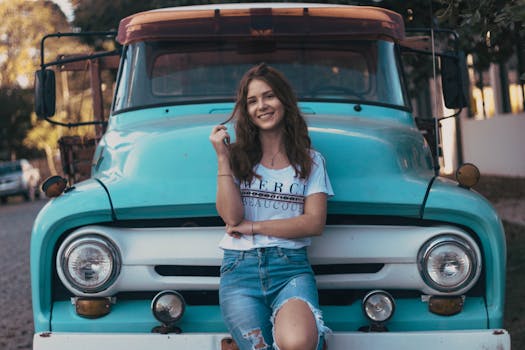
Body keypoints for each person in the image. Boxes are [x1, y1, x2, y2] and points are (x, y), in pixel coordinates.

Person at [209, 63, 334, 350]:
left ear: (284, 100)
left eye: (269, 97)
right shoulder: (237, 158)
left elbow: (314, 223)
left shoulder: (311, 160)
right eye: (252, 101)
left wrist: (254, 227)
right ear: (246, 111)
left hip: (289, 269)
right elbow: (231, 216)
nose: (262, 106)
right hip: (239, 271)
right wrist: (222, 159)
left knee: (299, 343)